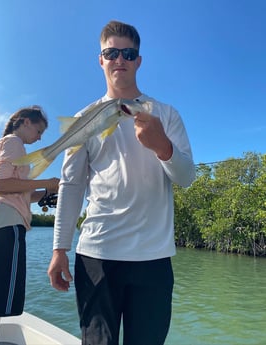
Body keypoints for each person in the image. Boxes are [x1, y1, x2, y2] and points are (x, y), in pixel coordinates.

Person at [48, 20, 195, 345]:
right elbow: (71, 186)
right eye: (111, 52)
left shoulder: (166, 114)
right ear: (100, 59)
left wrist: (163, 147)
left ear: (138, 60)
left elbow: (186, 178)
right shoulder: (84, 117)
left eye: (128, 53)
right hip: (97, 256)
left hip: (154, 257)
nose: (120, 60)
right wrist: (60, 248)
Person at [0, 106, 60, 345]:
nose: (39, 137)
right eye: (39, 131)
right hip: (7, 222)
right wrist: (48, 181)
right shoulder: (14, 142)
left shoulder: (5, 144)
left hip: (0, 219)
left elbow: (17, 191)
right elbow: (1, 185)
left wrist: (45, 192)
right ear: (26, 122)